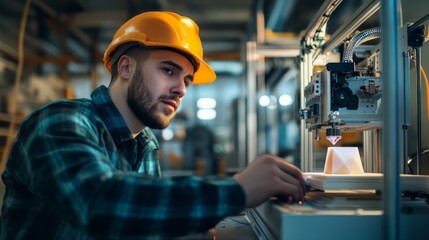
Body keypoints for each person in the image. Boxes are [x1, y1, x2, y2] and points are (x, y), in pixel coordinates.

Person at [0, 11, 305, 239]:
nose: (182, 89)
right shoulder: (60, 122)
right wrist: (237, 190)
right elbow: (98, 203)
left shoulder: (145, 145)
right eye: (169, 70)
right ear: (126, 67)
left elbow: (136, 222)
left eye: (186, 79)